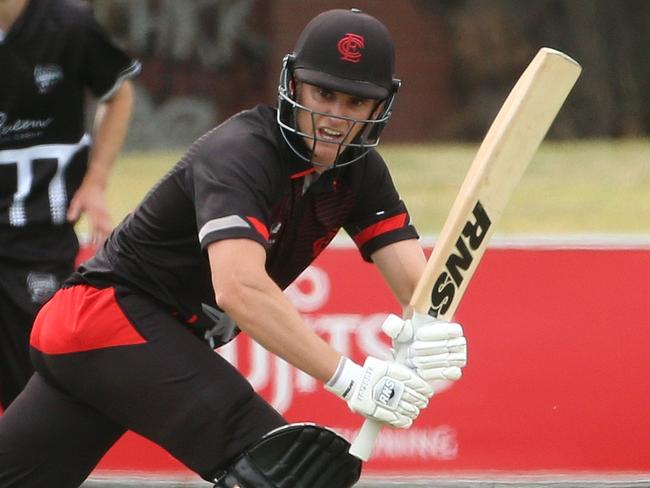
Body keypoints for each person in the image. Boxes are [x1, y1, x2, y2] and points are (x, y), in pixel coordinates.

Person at [0, 8, 467, 488]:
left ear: (379, 107)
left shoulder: (360, 171)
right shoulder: (243, 151)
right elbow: (240, 288)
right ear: (294, 85)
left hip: (120, 341)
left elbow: (418, 284)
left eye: (355, 102)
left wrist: (434, 328)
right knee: (287, 472)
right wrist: (350, 379)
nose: (334, 117)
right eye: (323, 93)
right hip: (108, 321)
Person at [0, 0, 140, 410]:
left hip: (39, 237)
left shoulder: (70, 24)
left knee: (38, 393)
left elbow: (120, 93)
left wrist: (95, 181)